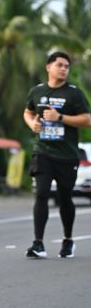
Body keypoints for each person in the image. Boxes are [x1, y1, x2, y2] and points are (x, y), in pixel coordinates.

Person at [23, 51, 91, 259]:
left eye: (66, 66)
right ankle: (38, 244)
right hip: (43, 151)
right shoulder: (37, 91)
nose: (63, 69)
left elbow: (87, 120)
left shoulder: (74, 93)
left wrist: (59, 117)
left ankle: (68, 240)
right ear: (48, 67)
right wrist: (32, 124)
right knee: (42, 193)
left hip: (67, 155)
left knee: (64, 197)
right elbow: (28, 112)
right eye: (59, 65)